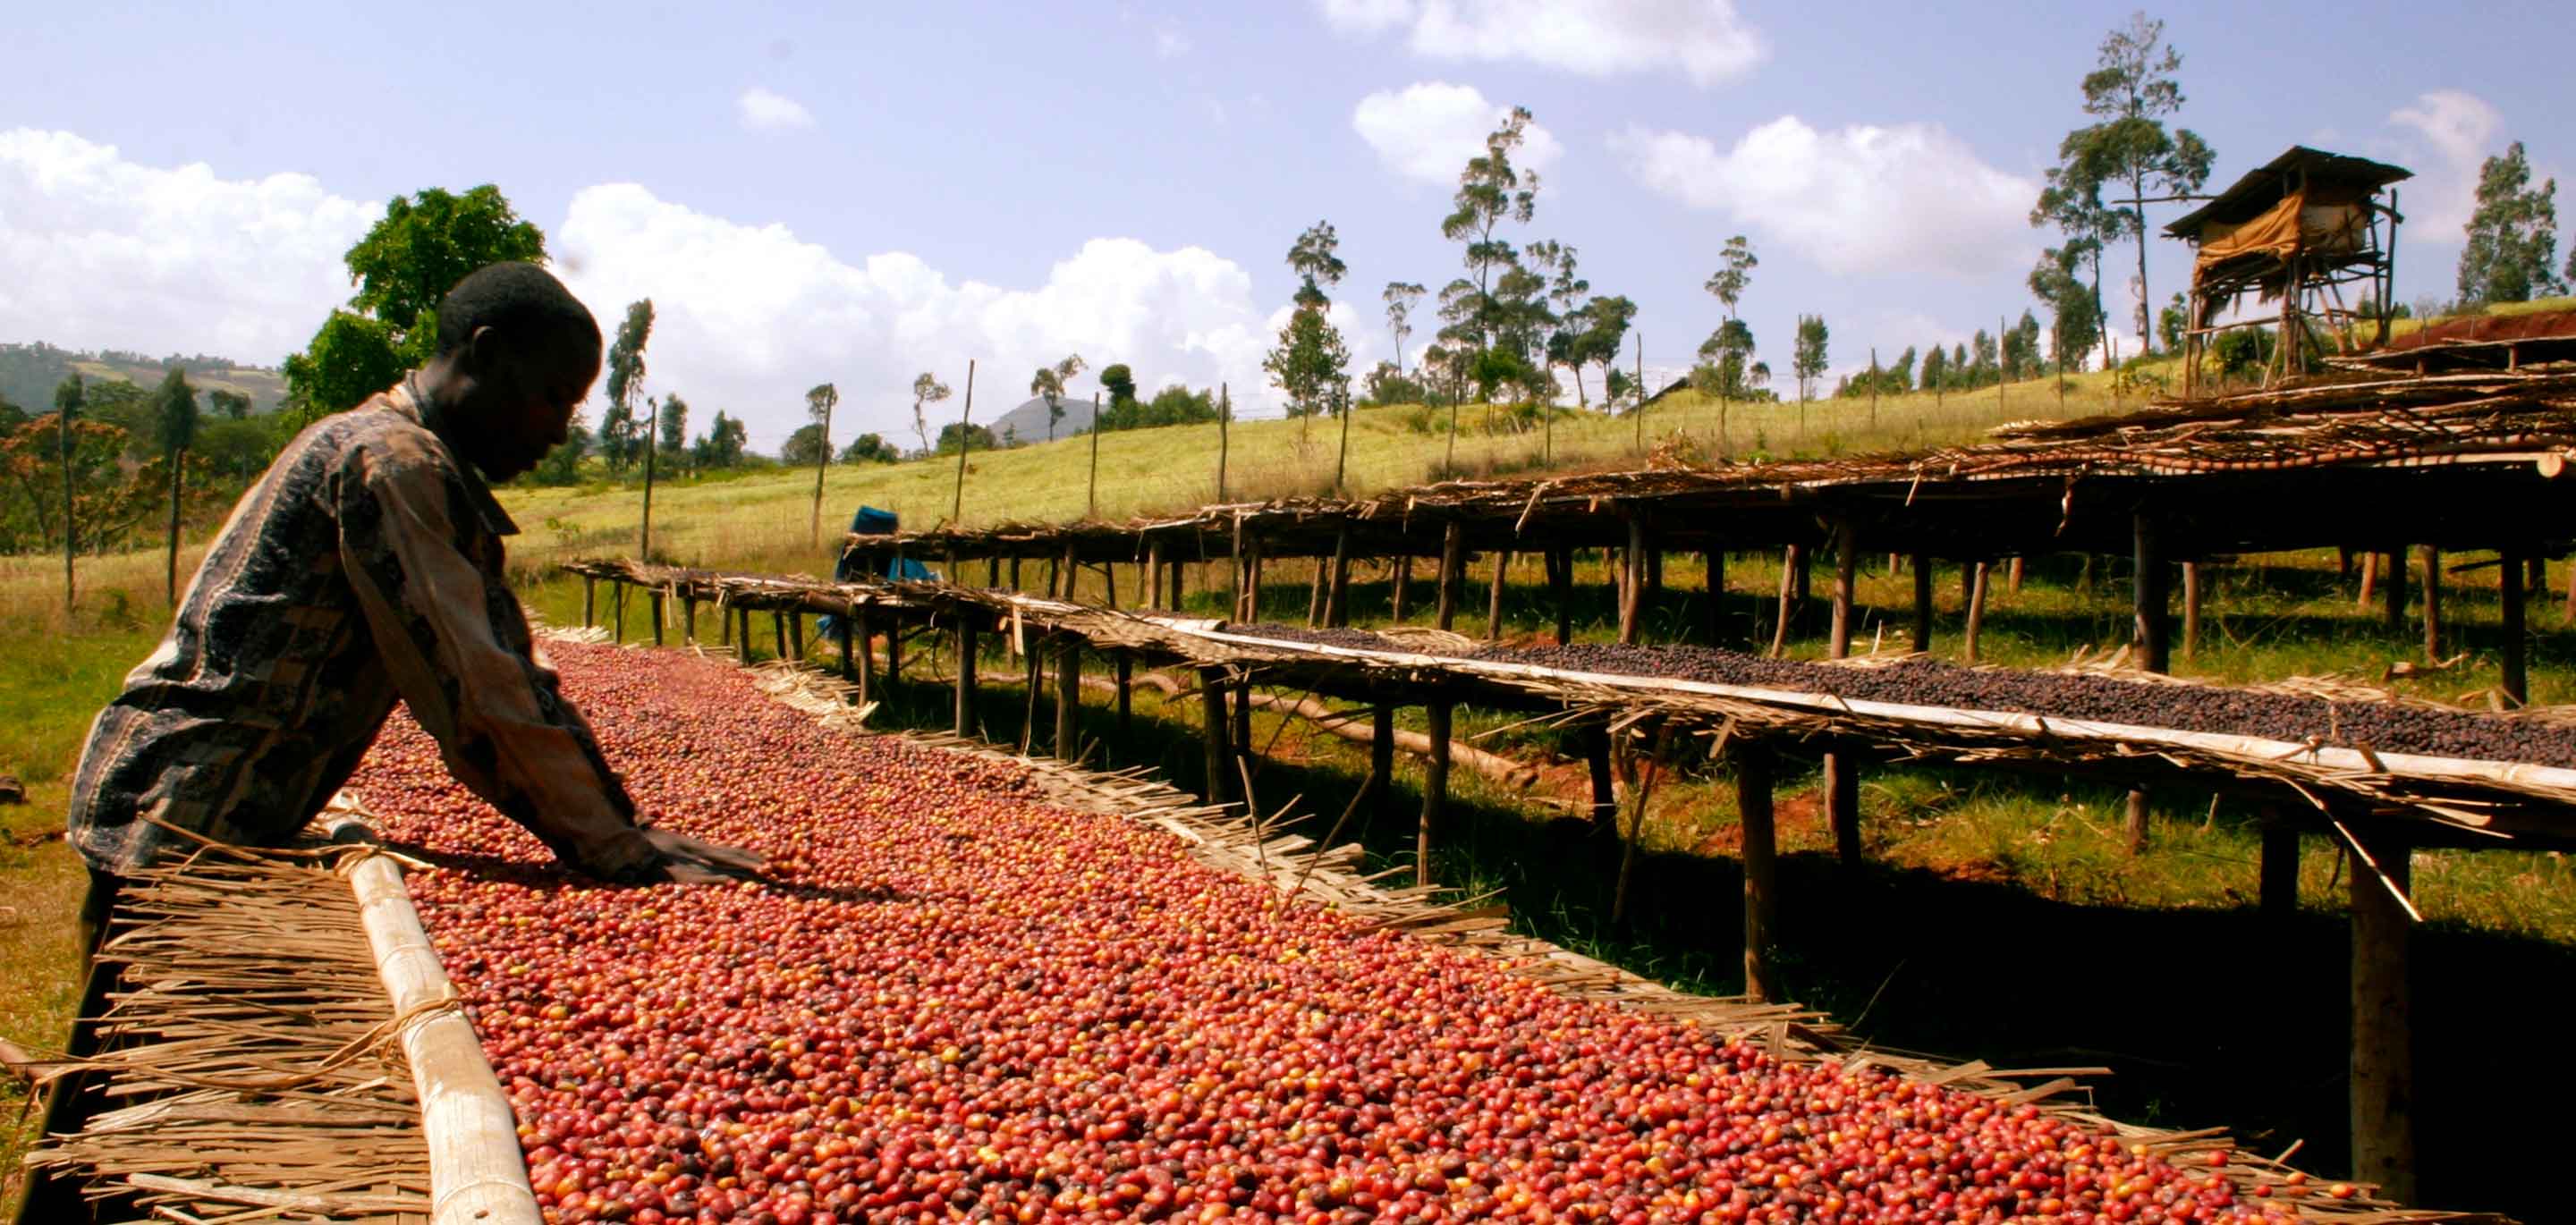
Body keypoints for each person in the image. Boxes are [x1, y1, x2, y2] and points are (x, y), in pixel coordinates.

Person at [20, 262, 757, 1220]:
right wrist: (615, 844)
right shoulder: (394, 464)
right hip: (185, 809)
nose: (554, 428)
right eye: (547, 397)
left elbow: (474, 663)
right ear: (484, 357)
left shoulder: (382, 444)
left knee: (121, 1106)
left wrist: (609, 822)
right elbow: (478, 681)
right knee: (132, 1121)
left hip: (197, 798)